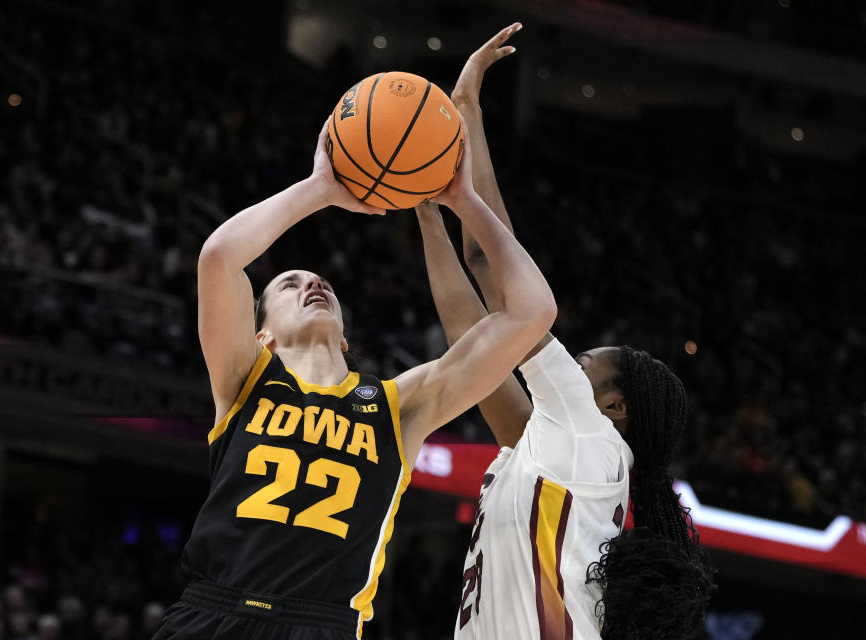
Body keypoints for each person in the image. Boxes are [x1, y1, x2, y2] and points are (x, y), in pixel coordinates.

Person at [153, 116, 556, 640]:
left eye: (320, 282)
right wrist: (320, 189)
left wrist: (465, 201)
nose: (313, 284)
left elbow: (533, 313)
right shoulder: (244, 378)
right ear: (262, 335)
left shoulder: (399, 405)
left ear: (344, 336)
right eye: (289, 284)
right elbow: (219, 258)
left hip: (323, 625)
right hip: (213, 613)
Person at [415, 24, 715, 640]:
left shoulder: (588, 438)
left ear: (613, 405)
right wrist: (425, 209)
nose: (567, 367)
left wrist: (460, 168)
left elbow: (498, 281)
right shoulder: (558, 452)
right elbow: (476, 336)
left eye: (581, 363)